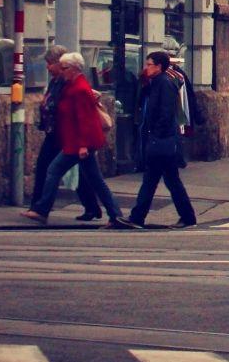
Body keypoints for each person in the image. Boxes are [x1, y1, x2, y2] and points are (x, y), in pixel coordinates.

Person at [22, 53, 133, 228]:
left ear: (74, 69)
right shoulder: (71, 85)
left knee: (53, 171)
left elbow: (85, 119)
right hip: (76, 142)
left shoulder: (79, 89)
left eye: (65, 68)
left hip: (79, 144)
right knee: (96, 180)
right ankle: (115, 215)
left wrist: (82, 145)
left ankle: (42, 210)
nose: (62, 71)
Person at [31, 46, 102, 221]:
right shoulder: (56, 81)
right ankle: (93, 207)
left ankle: (39, 208)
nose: (47, 68)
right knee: (77, 171)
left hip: (63, 133)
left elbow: (78, 109)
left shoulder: (68, 81)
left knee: (50, 169)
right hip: (56, 132)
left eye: (49, 63)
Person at [128, 51, 196, 229]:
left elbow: (165, 114)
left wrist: (155, 136)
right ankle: (138, 217)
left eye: (149, 64)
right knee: (159, 181)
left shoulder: (164, 84)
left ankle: (138, 217)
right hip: (160, 141)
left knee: (161, 181)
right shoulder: (155, 83)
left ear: (158, 66)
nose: (146, 67)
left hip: (162, 141)